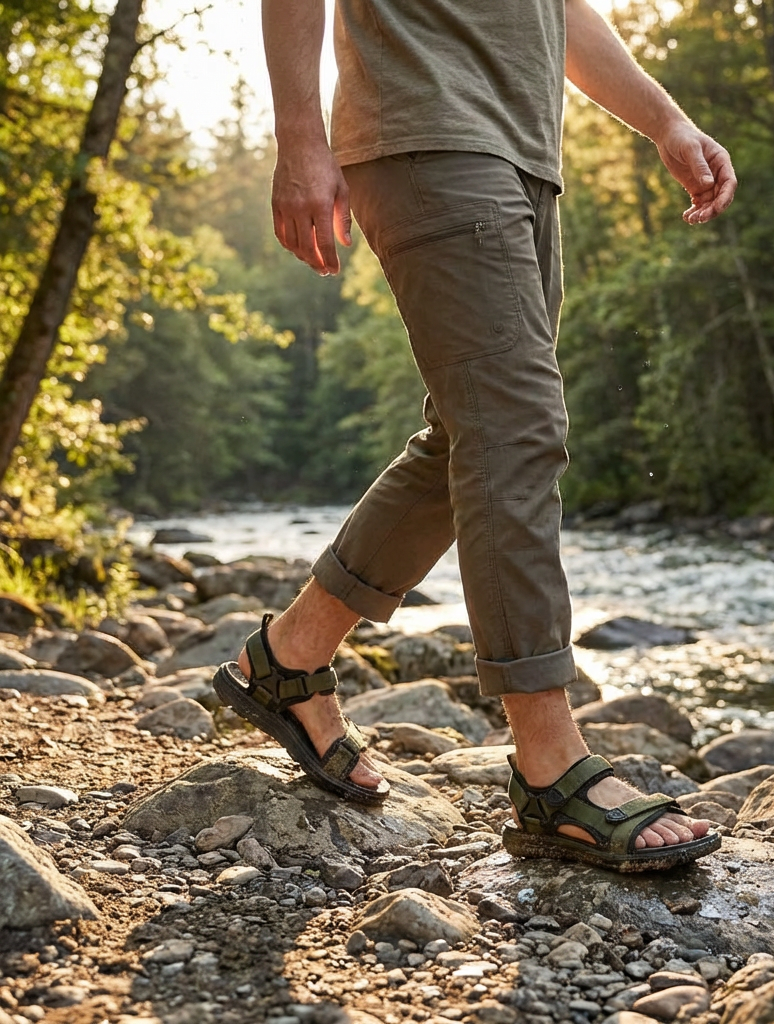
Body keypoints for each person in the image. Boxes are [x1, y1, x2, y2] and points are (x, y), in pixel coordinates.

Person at [214, 0, 737, 872]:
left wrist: (667, 119)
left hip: (526, 157)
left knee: (468, 438)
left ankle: (287, 659)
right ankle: (550, 767)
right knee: (514, 433)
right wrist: (298, 136)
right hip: (431, 136)